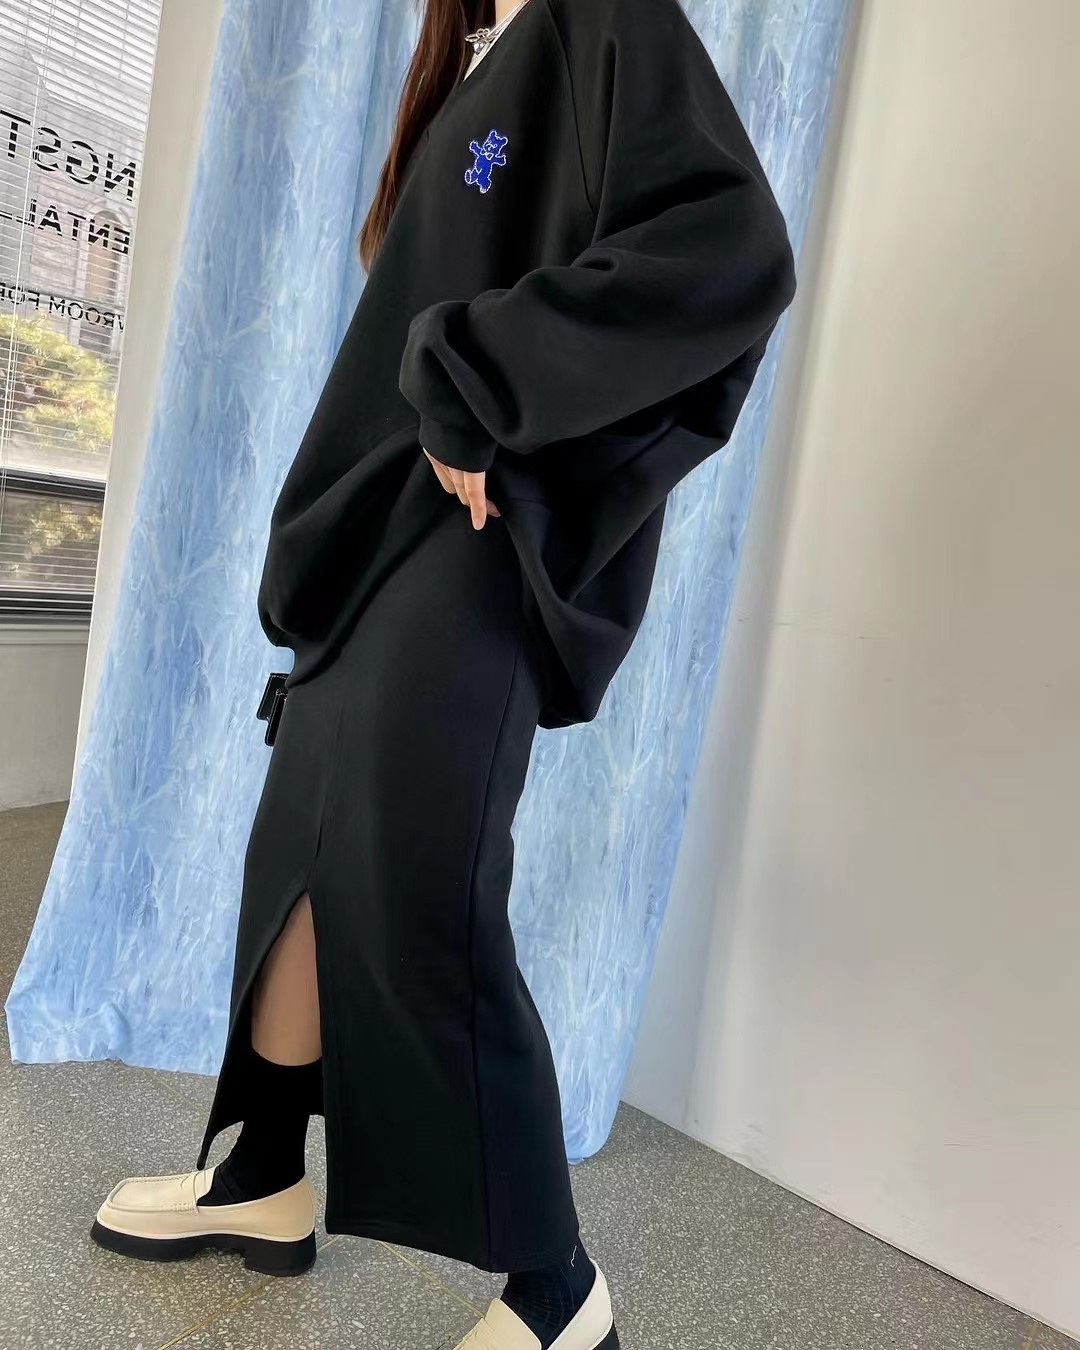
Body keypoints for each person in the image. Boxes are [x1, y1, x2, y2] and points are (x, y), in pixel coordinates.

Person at [89, 0, 796, 1345]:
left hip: (471, 536)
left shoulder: (604, 16)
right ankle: (263, 1175)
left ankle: (558, 1286)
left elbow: (730, 246)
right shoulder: (469, 59)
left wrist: (485, 379)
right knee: (302, 845)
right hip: (371, 526)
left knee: (416, 874)